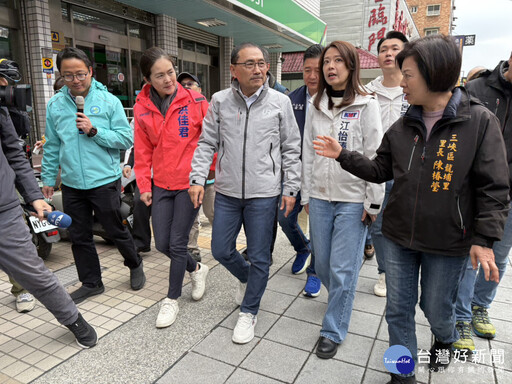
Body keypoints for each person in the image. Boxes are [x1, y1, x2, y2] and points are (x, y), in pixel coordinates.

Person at [313, 35, 509, 383]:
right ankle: (402, 375)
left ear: (434, 74)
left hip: (449, 243)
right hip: (399, 235)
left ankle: (444, 336)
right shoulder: (403, 126)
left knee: (435, 309)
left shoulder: (478, 122)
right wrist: (343, 155)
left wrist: (484, 238)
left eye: (408, 74)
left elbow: (493, 188)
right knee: (398, 311)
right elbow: (379, 170)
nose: (401, 82)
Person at [189, 42, 301, 344]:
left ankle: (249, 311)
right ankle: (248, 278)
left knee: (261, 255)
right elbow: (206, 143)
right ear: (234, 70)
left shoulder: (280, 102)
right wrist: (197, 178)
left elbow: (291, 147)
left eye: (261, 63)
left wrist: (290, 187)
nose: (258, 69)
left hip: (264, 193)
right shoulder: (220, 101)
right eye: (249, 64)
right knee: (220, 249)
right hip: (226, 191)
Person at [42, 47, 146, 304]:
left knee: (114, 229)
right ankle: (91, 282)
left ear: (90, 71)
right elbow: (53, 145)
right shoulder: (55, 105)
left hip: (104, 181)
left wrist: (94, 130)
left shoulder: (109, 101)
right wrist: (47, 179)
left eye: (80, 73)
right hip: (72, 183)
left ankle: (134, 263)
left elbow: (125, 138)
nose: (75, 80)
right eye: (68, 75)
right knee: (79, 235)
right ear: (61, 76)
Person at [301, 41, 384, 359]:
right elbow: (308, 150)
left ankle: (333, 329)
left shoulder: (367, 103)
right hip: (320, 197)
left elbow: (376, 155)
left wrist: (372, 202)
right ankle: (341, 294)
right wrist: (306, 192)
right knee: (322, 264)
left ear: (352, 66)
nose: (330, 67)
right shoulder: (316, 103)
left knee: (342, 269)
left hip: (353, 199)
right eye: (327, 62)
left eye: (338, 61)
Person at [0, 83, 97, 348]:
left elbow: (14, 155)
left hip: (3, 211)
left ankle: (73, 319)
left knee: (34, 274)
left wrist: (35, 197)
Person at [134, 47, 210, 329]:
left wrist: (202, 178)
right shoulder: (142, 107)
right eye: (160, 75)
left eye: (171, 72)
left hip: (189, 185)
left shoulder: (196, 101)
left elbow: (210, 142)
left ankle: (171, 299)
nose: (168, 79)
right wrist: (144, 184)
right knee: (163, 243)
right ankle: (197, 269)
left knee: (178, 243)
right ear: (147, 79)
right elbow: (142, 151)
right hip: (161, 184)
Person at [453, 51, 512, 352]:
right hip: (473, 192)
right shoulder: (476, 90)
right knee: (470, 258)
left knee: (499, 256)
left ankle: (480, 306)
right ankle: (460, 317)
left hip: (509, 196)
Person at [364, 30, 409, 297]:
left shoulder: (415, 90)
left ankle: (405, 271)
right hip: (378, 169)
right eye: (383, 49)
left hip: (409, 171)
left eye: (395, 48)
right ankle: (384, 273)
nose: (389, 53)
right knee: (378, 226)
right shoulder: (368, 92)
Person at [283, 44, 323, 297]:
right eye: (307, 70)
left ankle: (315, 273)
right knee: (284, 217)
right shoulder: (292, 99)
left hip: (321, 174)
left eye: (317, 70)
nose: (312, 75)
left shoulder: (337, 99)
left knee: (319, 225)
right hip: (294, 172)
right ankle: (301, 247)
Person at [0, 58, 36, 313]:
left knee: (17, 242)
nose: (6, 87)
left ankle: (22, 289)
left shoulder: (6, 108)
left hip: (5, 187)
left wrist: (33, 195)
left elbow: (15, 153)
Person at [176, 71, 216, 263]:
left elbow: (215, 140)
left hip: (210, 174)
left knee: (212, 212)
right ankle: (192, 248)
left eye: (191, 83)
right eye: (182, 84)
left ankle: (223, 242)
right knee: (190, 215)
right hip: (185, 176)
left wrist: (213, 166)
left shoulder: (208, 108)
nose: (186, 87)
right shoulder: (174, 112)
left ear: (199, 89)